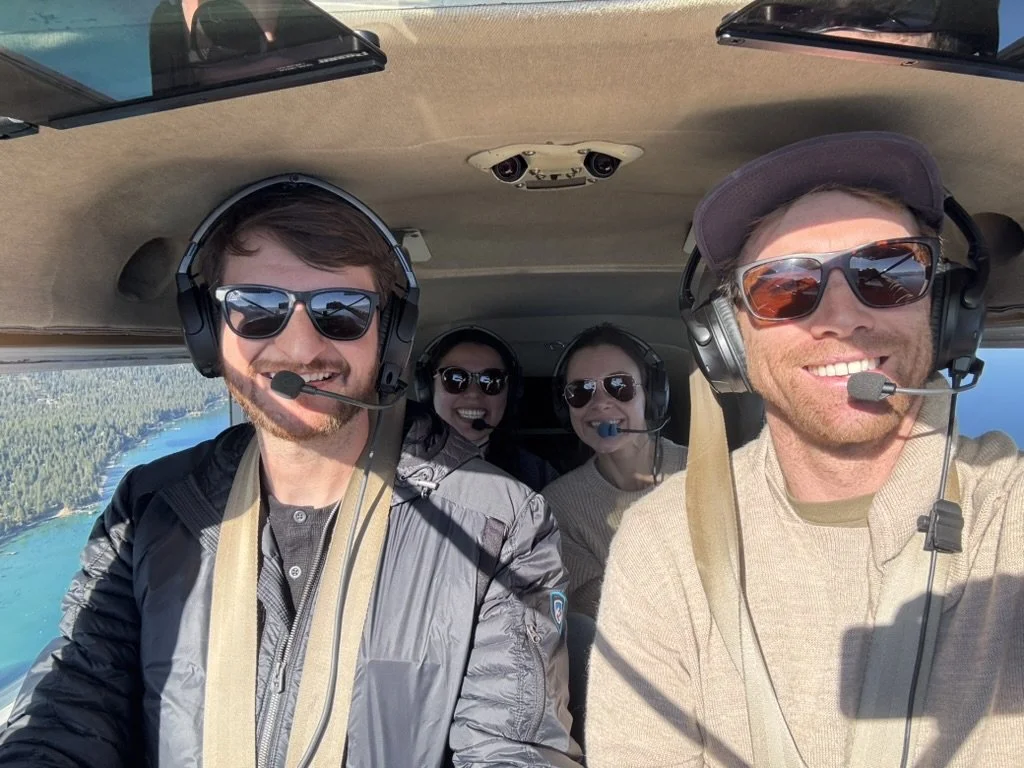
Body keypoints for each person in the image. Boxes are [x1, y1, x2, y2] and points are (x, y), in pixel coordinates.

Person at [0, 175, 582, 767]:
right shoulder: (147, 508)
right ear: (207, 332)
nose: (301, 348)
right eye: (255, 309)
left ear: (391, 335)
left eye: (341, 311)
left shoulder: (500, 522)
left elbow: (515, 746)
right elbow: (72, 703)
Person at [585, 132, 1024, 767]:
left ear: (946, 306)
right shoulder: (664, 543)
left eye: (888, 270)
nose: (842, 318)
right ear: (728, 340)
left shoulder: (1008, 513)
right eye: (785, 287)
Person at [542, 323, 687, 621]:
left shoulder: (710, 471)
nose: (601, 403)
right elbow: (601, 615)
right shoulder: (558, 507)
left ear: (651, 394)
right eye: (581, 392)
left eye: (619, 385)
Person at [415, 325, 559, 492]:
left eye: (491, 380)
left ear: (510, 393)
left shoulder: (539, 477)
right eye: (455, 378)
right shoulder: (396, 465)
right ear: (428, 389)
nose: (473, 393)